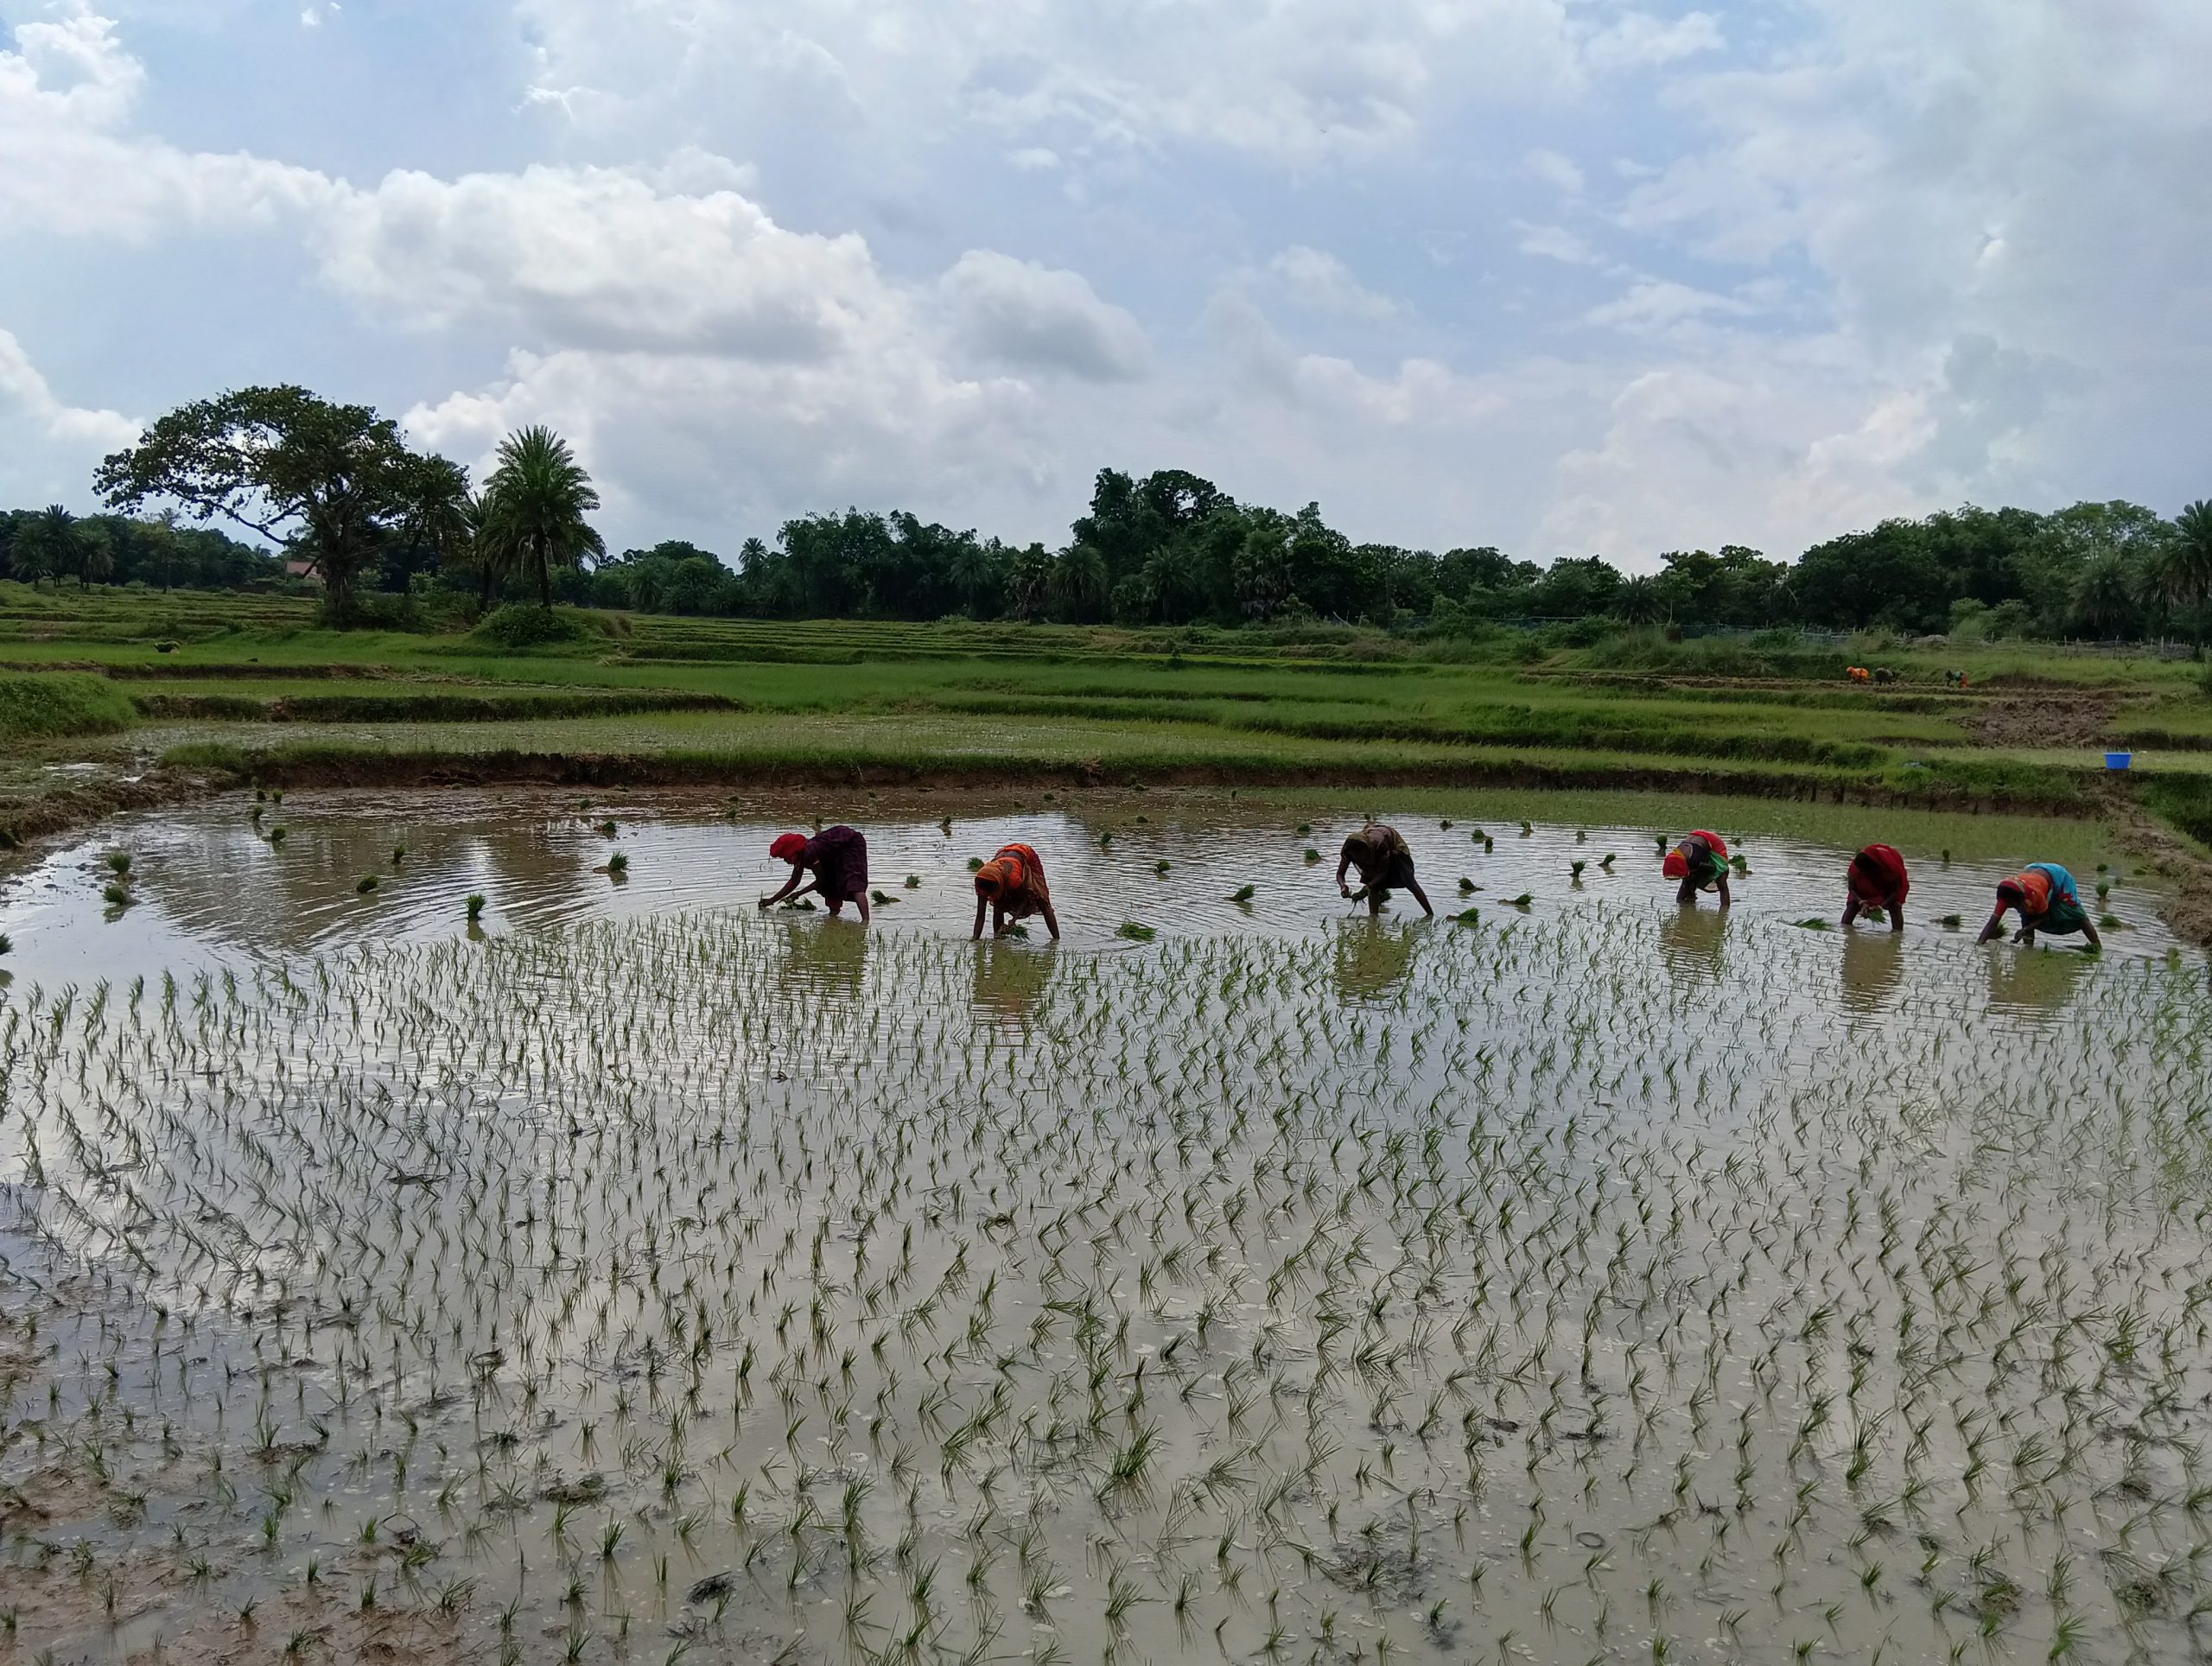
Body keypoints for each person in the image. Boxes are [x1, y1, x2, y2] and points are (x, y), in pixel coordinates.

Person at [759, 826, 871, 923]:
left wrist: (798, 894)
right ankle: (833, 916)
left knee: (854, 882)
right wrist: (772, 900)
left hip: (850, 843)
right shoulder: (800, 857)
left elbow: (821, 880)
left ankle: (865, 921)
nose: (786, 861)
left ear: (793, 853)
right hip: (834, 853)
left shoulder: (809, 852)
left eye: (786, 858)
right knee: (831, 884)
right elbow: (794, 881)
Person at [1978, 862, 2101, 951]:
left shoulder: (2034, 894)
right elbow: (1993, 921)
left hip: (2058, 877)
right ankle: (2028, 949)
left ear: (2020, 899)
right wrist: (1979, 945)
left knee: (2077, 914)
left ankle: (2097, 947)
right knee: (2026, 915)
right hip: (2033, 870)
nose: (2010, 907)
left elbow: (2045, 916)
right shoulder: (2005, 893)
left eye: (2014, 905)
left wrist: (2025, 930)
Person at [1336, 823, 1433, 918]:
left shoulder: (1379, 844)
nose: (1359, 857)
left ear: (1366, 849)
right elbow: (1340, 874)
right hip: (1375, 847)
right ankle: (1373, 918)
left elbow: (1382, 872)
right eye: (1356, 855)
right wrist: (1343, 886)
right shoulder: (1347, 851)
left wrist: (1367, 887)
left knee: (1409, 881)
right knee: (1374, 886)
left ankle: (1430, 914)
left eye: (1360, 854)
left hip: (1393, 846)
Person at [972, 842, 1060, 940]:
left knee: (1040, 898)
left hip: (1026, 855)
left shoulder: (1013, 879)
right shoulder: (982, 882)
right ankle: (998, 939)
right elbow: (980, 916)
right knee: (998, 903)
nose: (990, 897)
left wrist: (1014, 920)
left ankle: (1056, 939)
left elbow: (1025, 898)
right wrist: (974, 939)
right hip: (1003, 855)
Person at [1841, 843, 1909, 931]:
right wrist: (1861, 902)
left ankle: (1897, 933)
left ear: (1875, 868)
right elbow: (1852, 888)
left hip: (1886, 888)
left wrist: (1881, 906)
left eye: (1865, 872)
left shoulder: (1891, 870)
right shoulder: (1855, 869)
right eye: (1860, 870)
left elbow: (1894, 893)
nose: (1861, 873)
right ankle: (1845, 930)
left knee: (1895, 906)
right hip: (1862, 890)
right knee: (1852, 906)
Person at [1663, 830, 1732, 908]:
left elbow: (1713, 868)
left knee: (1722, 881)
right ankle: (1684, 902)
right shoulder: (1676, 855)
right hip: (1696, 839)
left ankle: (1725, 909)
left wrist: (1695, 872)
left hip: (1713, 842)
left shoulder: (1695, 858)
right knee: (1687, 881)